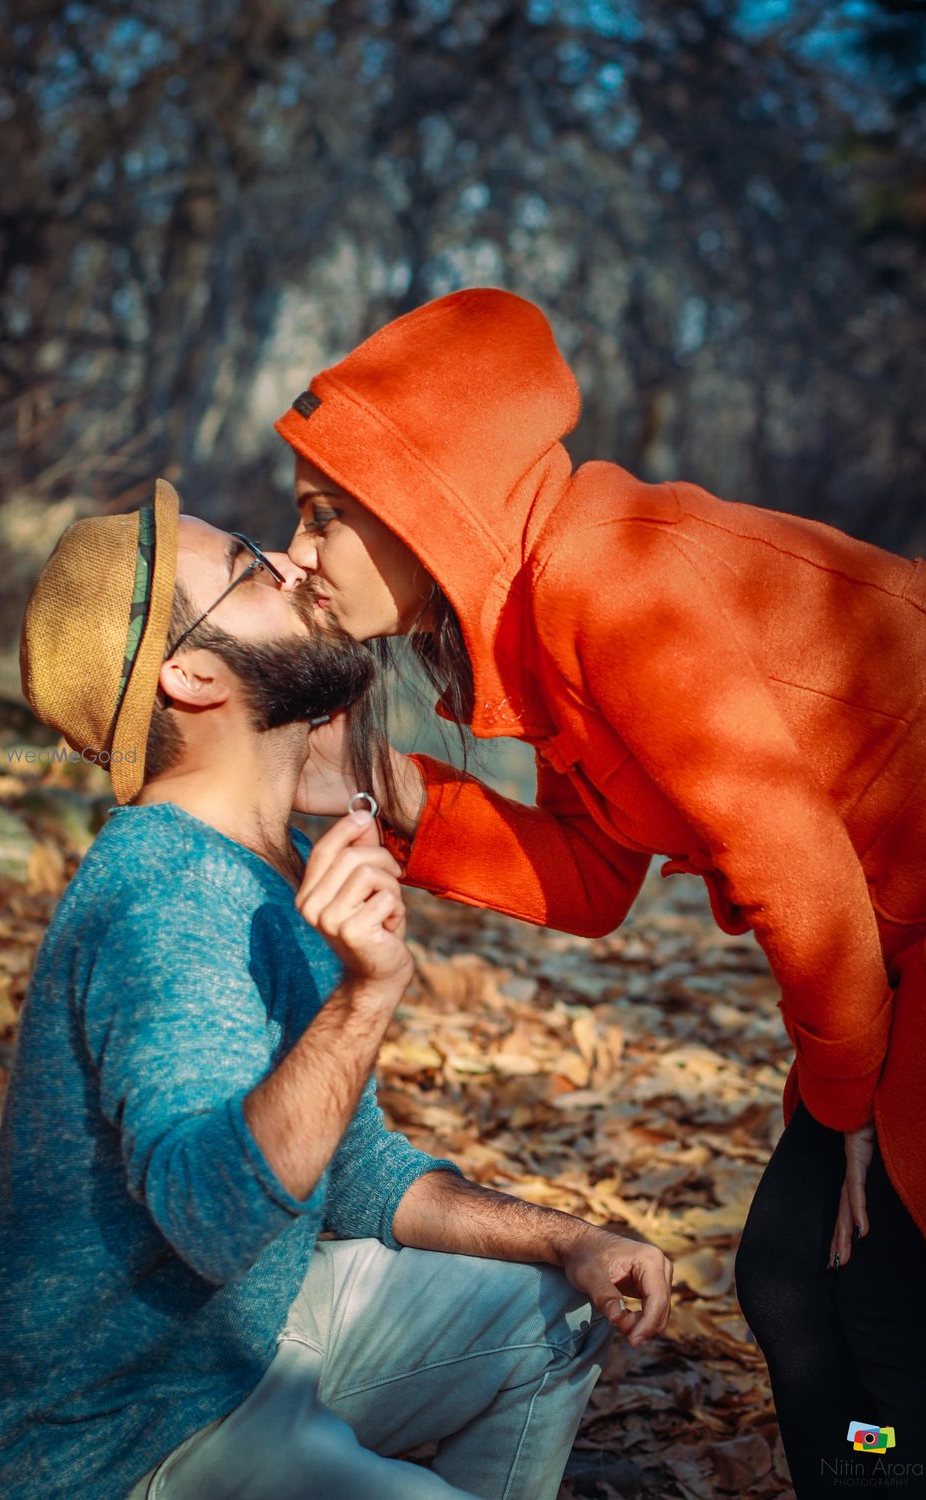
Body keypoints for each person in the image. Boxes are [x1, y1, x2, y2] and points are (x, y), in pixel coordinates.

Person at [274, 289, 926, 1496]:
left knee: (882, 1315)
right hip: (889, 959)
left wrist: (849, 1108)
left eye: (325, 515)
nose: (300, 552)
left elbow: (796, 866)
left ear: (425, 502)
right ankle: (876, 1470)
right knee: (791, 1282)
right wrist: (379, 784)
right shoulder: (543, 607)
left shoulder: (606, 581)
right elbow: (590, 880)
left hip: (892, 945)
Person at [0, 479, 674, 1500]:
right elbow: (211, 1216)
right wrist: (362, 1001)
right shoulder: (163, 891)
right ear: (193, 674)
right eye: (247, 570)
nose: (291, 563)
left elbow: (357, 1173)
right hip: (119, 1449)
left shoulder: (269, 859)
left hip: (241, 1350)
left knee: (558, 1301)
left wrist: (574, 1237)